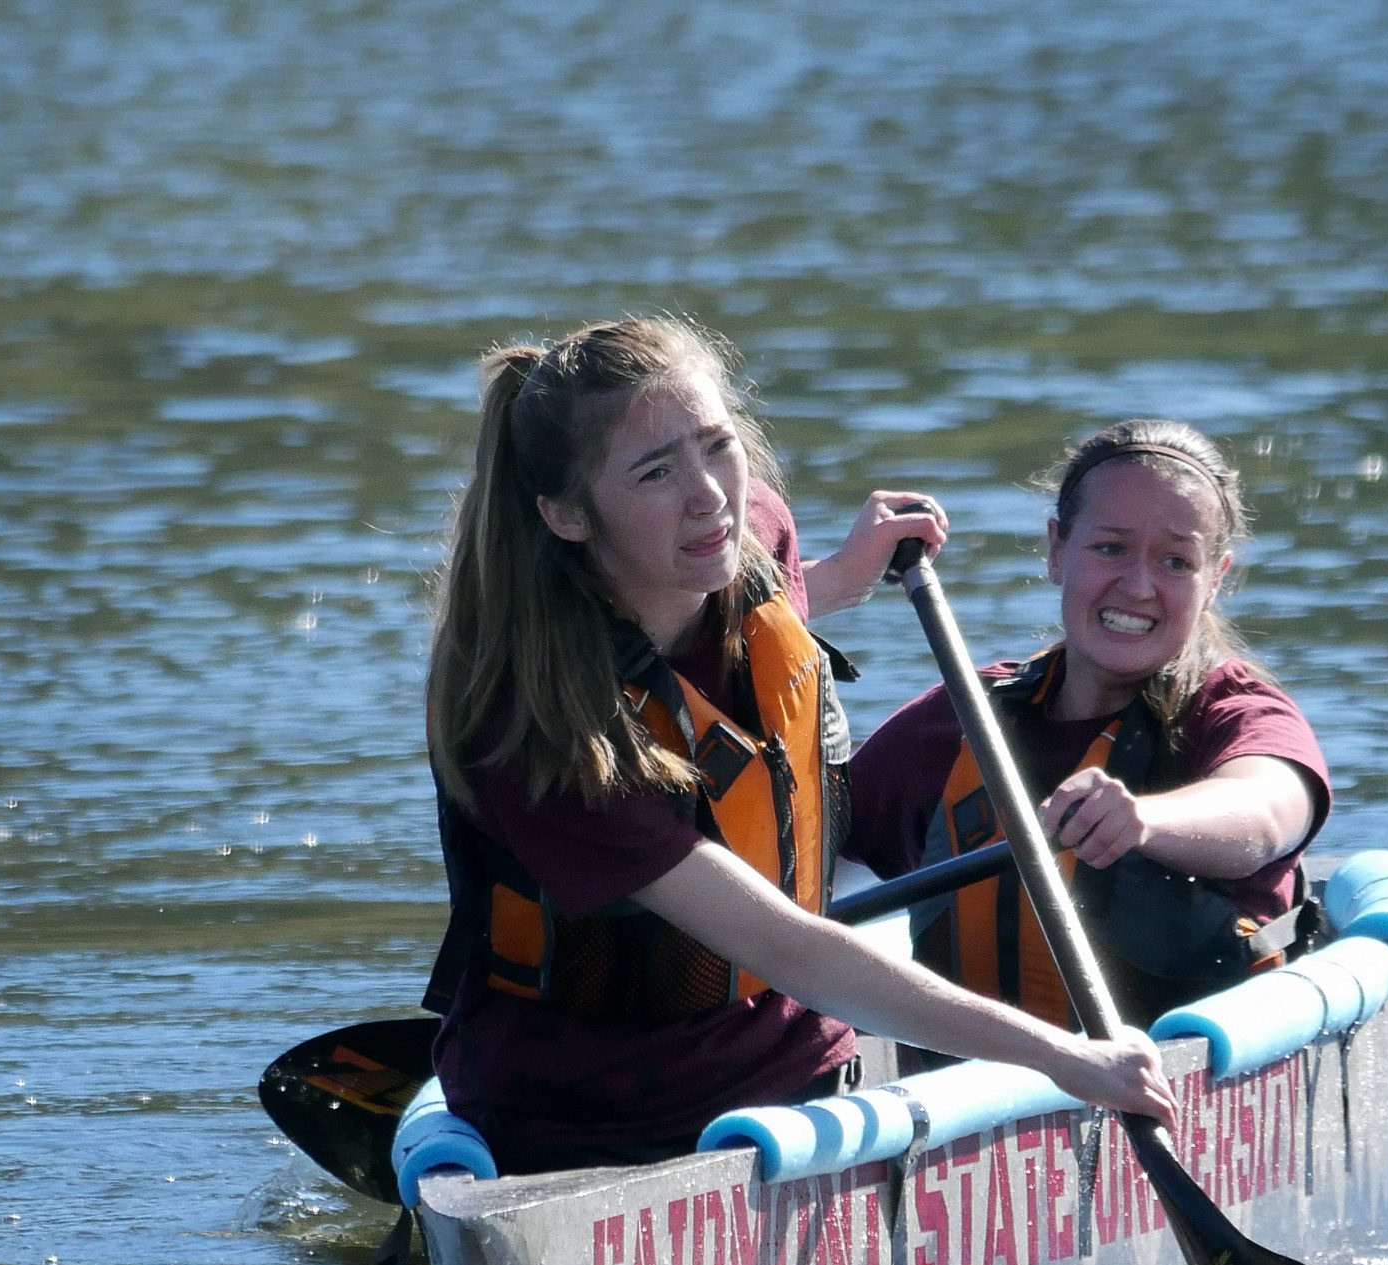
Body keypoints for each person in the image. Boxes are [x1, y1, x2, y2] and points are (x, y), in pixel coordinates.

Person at [420, 317, 1172, 1173]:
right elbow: (792, 950)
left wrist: (849, 572)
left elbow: (762, 610)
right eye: (656, 472)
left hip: (796, 1072)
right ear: (565, 515)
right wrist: (1063, 1057)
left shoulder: (749, 534)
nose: (710, 496)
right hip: (591, 1130)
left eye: (717, 445)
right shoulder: (538, 729)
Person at [846, 419, 1329, 1026]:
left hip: (1159, 1087)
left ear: (1216, 580)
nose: (1139, 586)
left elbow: (1264, 814)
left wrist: (1143, 821)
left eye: (1177, 561)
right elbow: (804, 841)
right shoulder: (959, 719)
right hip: (970, 1091)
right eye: (1109, 548)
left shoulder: (1236, 712)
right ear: (1056, 550)